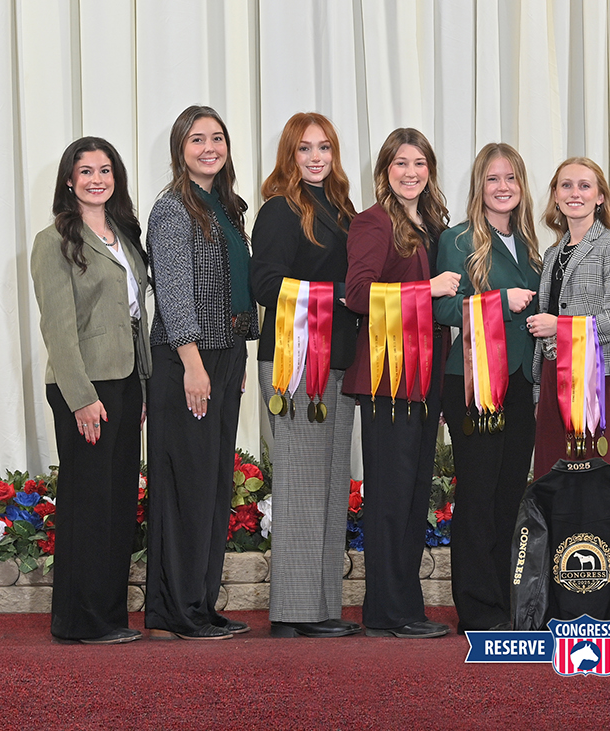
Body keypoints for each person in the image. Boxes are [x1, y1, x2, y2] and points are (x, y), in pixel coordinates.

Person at [144, 105, 258, 641]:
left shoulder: (230, 207)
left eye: (217, 138)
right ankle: (177, 609)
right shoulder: (171, 209)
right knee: (186, 485)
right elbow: (171, 291)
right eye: (197, 139)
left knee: (212, 484)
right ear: (180, 149)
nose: (209, 147)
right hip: (187, 359)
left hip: (224, 354)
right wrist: (192, 362)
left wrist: (234, 355)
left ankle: (201, 602)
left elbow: (238, 285)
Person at [31, 137, 150, 645]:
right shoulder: (53, 240)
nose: (97, 179)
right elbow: (57, 329)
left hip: (126, 381)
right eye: (86, 171)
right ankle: (80, 621)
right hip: (85, 385)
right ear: (69, 180)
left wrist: (142, 383)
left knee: (119, 501)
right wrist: (81, 397)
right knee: (88, 502)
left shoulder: (125, 233)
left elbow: (136, 315)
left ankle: (109, 616)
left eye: (105, 170)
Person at [343, 128, 460, 639]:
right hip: (389, 371)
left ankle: (403, 606)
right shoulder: (372, 222)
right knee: (392, 492)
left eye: (419, 163)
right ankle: (387, 611)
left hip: (428, 367)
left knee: (414, 490)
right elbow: (358, 295)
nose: (410, 172)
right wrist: (426, 288)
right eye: (400, 164)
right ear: (385, 170)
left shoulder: (435, 224)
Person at [251, 112, 362, 638]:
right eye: (304, 149)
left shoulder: (341, 209)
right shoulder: (279, 209)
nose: (316, 157)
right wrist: (338, 295)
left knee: (331, 484)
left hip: (338, 361)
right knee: (299, 486)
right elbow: (266, 283)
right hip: (296, 361)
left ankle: (323, 608)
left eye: (324, 148)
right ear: (288, 156)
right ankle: (293, 613)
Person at [435, 143, 542, 631]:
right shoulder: (457, 240)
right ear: (479, 185)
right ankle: (477, 609)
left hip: (520, 382)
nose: (503, 188)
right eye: (494, 178)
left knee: (508, 495)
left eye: (512, 179)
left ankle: (505, 600)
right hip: (474, 381)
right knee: (478, 495)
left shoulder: (533, 244)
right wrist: (500, 302)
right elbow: (440, 309)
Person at [528, 158, 610, 477]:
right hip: (552, 377)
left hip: (596, 377)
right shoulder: (551, 254)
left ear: (600, 197)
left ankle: (592, 531)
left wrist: (559, 327)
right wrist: (539, 392)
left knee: (591, 475)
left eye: (584, 186)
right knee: (550, 474)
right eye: (566, 185)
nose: (575, 193)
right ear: (556, 196)